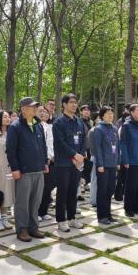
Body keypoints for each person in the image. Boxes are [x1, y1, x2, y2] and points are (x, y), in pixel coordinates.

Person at [6, 98, 49, 242]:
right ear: (23, 109)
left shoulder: (38, 125)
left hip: (38, 170)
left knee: (35, 202)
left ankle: (33, 227)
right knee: (22, 203)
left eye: (36, 106)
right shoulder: (15, 127)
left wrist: (45, 162)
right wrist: (15, 168)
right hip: (23, 172)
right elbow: (10, 150)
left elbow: (43, 145)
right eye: (32, 106)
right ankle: (22, 229)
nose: (35, 109)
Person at [52, 93, 87, 232]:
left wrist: (81, 156)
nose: (74, 104)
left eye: (75, 102)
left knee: (73, 191)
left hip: (77, 163)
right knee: (63, 192)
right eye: (71, 102)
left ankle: (72, 218)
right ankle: (61, 220)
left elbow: (83, 140)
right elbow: (60, 143)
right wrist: (74, 155)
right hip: (63, 163)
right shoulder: (58, 122)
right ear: (64, 104)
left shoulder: (79, 122)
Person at [120, 104, 138, 217]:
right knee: (131, 186)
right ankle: (128, 208)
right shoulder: (126, 126)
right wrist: (125, 160)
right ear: (131, 112)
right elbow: (123, 144)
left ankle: (137, 207)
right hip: (132, 161)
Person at [91, 106, 119, 224]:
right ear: (102, 116)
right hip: (103, 165)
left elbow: (117, 147)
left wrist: (118, 162)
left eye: (112, 113)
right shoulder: (98, 129)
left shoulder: (114, 129)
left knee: (110, 190)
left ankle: (108, 214)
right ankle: (101, 216)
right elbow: (97, 148)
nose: (110, 115)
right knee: (102, 190)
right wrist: (100, 164)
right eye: (107, 113)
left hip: (113, 164)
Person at [37, 105, 55, 222]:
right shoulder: (34, 126)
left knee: (47, 188)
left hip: (50, 161)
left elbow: (51, 143)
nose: (43, 113)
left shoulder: (49, 126)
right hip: (39, 161)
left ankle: (44, 211)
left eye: (45, 112)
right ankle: (36, 211)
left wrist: (50, 157)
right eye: (41, 111)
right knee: (38, 189)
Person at [80, 104, 94, 193]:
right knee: (83, 168)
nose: (86, 112)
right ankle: (81, 186)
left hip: (90, 148)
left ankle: (85, 184)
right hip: (83, 148)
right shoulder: (79, 122)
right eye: (84, 110)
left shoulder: (91, 122)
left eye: (88, 110)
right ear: (81, 112)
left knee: (89, 167)